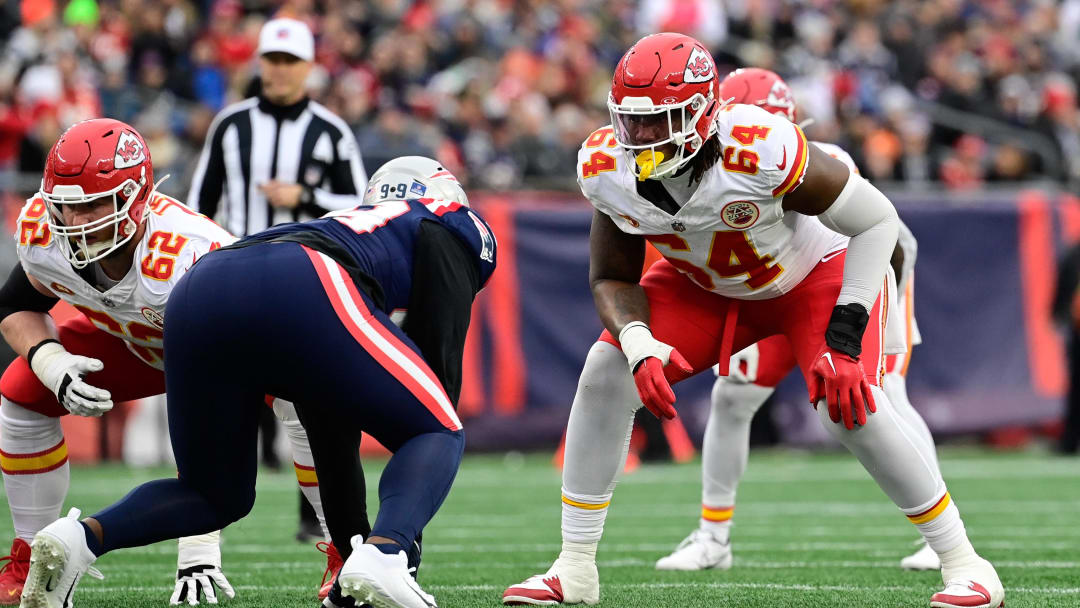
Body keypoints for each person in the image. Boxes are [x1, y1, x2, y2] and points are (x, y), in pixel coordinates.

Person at [502, 34, 1003, 608]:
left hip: (810, 272)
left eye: (658, 120)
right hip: (707, 285)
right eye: (631, 121)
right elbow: (612, 276)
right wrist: (639, 342)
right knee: (605, 370)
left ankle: (967, 565)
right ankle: (575, 568)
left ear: (701, 113)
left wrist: (845, 335)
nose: (639, 138)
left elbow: (876, 222)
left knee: (850, 410)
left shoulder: (761, 147)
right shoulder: (604, 165)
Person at [18, 157, 497, 608]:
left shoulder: (351, 226)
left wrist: (354, 549)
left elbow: (328, 428)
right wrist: (400, 537)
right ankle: (385, 556)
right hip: (301, 277)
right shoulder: (449, 218)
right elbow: (437, 372)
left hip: (199, 286)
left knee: (213, 495)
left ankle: (79, 540)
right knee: (437, 427)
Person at [654, 68, 943, 573]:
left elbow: (884, 235)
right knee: (732, 396)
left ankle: (940, 540)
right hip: (773, 289)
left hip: (852, 282)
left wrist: (874, 319)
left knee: (881, 396)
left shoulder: (814, 160)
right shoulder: (714, 167)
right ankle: (713, 537)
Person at [0, 118, 246, 606]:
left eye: (90, 203)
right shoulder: (44, 235)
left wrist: (199, 540)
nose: (75, 222)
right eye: (64, 207)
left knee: (302, 403)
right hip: (138, 344)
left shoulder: (186, 257)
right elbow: (13, 306)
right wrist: (52, 363)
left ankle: (344, 552)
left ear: (135, 199)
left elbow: (218, 391)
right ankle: (29, 555)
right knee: (22, 390)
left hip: (238, 352)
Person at [186, 16, 370, 594]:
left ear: (309, 66)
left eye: (289, 61)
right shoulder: (230, 125)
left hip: (305, 283)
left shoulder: (331, 131)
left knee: (312, 410)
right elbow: (198, 206)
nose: (278, 70)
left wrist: (304, 197)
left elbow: (359, 207)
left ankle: (330, 535)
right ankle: (199, 552)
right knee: (217, 412)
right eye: (271, 59)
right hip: (235, 278)